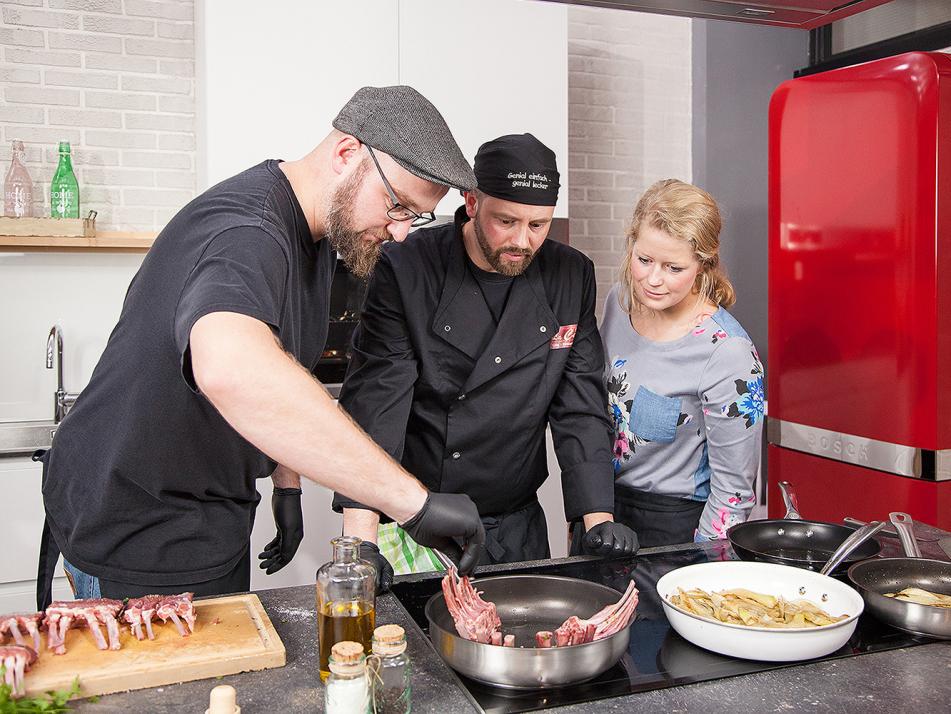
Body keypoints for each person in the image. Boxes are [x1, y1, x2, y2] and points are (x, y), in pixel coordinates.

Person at [36, 86, 487, 607]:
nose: (404, 232)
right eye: (397, 205)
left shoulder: (317, 236)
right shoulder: (247, 230)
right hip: (138, 528)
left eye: (418, 217)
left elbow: (281, 363)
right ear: (347, 154)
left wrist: (287, 486)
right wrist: (414, 504)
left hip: (212, 514)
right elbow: (232, 367)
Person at [333, 133, 638, 589]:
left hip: (517, 523)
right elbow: (378, 402)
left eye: (538, 225)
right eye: (506, 221)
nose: (522, 241)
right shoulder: (407, 267)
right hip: (420, 521)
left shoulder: (569, 274)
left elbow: (579, 406)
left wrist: (598, 520)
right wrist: (360, 543)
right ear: (471, 201)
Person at [599, 179, 764, 548]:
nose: (653, 280)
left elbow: (733, 495)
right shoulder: (619, 301)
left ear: (703, 265)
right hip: (603, 513)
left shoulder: (728, 353)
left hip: (674, 528)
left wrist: (701, 571)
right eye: (643, 260)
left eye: (673, 268)